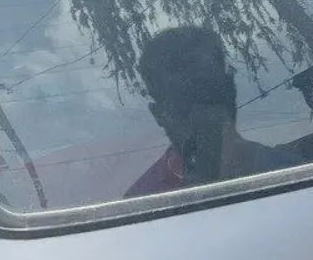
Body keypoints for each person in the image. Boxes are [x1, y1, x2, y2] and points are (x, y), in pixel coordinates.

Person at [127, 25, 300, 198]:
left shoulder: (299, 178)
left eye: (208, 94)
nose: (199, 113)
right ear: (160, 115)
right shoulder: (135, 209)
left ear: (230, 92)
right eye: (183, 102)